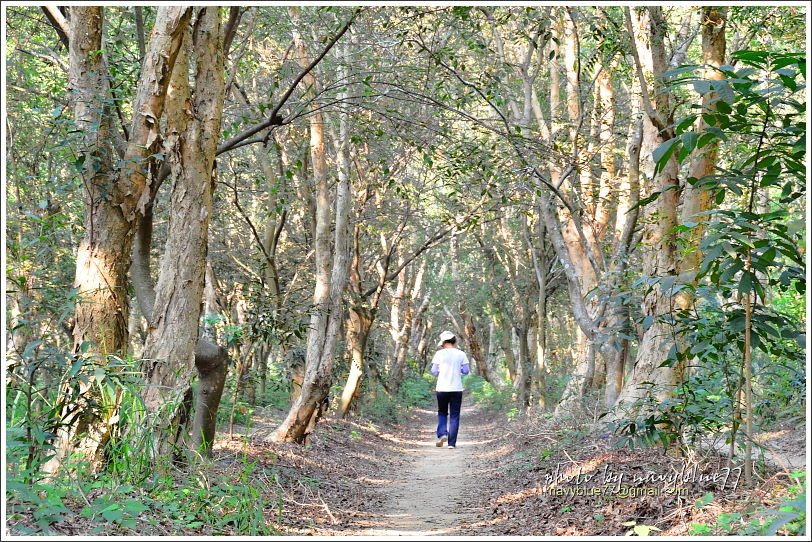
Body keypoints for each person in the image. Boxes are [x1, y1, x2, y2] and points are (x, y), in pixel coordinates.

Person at [430, 330, 470, 449]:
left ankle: (442, 433)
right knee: (454, 415)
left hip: (442, 388)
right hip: (456, 388)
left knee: (442, 412)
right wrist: (458, 371)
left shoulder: (439, 354)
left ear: (443, 343)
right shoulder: (461, 354)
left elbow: (433, 371)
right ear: (454, 341)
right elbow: (466, 371)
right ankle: (451, 444)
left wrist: (440, 373)